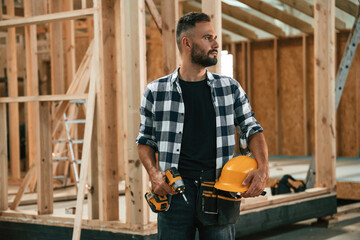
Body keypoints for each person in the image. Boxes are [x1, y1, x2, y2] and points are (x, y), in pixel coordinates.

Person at [136, 12, 269, 240]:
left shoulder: (230, 88)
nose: (216, 44)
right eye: (208, 38)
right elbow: (145, 141)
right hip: (175, 193)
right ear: (187, 43)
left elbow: (252, 128)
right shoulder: (155, 92)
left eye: (215, 37)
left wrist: (263, 169)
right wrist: (154, 174)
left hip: (219, 189)